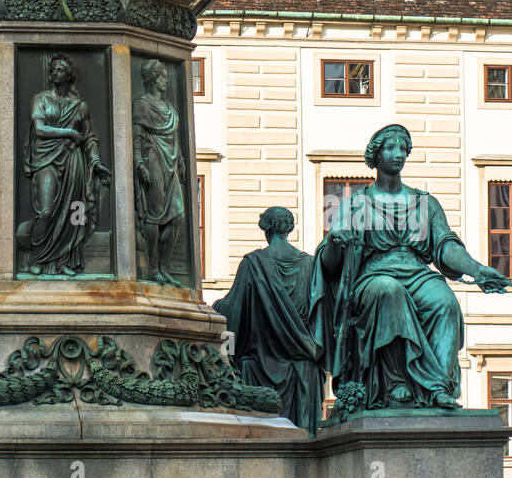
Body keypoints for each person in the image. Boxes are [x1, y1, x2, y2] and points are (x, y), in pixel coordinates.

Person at [310, 123, 510, 410]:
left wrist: (477, 270)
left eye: (403, 148)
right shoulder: (357, 203)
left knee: (445, 302)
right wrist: (334, 242)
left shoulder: (424, 203)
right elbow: (331, 265)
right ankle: (395, 383)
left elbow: (445, 246)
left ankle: (438, 387)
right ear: (375, 156)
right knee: (389, 292)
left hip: (417, 273)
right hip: (374, 275)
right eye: (391, 148)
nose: (399, 154)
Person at [213, 208, 322, 434]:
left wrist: (216, 309)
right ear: (289, 229)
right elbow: (320, 318)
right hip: (303, 366)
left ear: (266, 230)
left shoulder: (254, 263)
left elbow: (234, 311)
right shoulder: (310, 265)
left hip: (259, 364)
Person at [17, 54, 110, 275]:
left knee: (72, 212)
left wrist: (95, 161)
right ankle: (37, 257)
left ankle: (64, 261)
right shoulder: (40, 99)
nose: (54, 72)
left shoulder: (79, 106)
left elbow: (89, 137)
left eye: (60, 69)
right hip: (45, 159)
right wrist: (69, 132)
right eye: (52, 69)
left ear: (69, 75)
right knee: (47, 210)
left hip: (72, 161)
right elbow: (39, 129)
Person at [132, 58, 187, 285]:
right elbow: (137, 136)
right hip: (153, 155)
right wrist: (139, 163)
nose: (167, 80)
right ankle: (152, 268)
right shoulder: (142, 103)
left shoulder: (170, 108)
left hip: (171, 159)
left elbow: (174, 136)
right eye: (163, 76)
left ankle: (164, 267)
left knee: (177, 216)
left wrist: (182, 160)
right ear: (154, 78)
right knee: (154, 214)